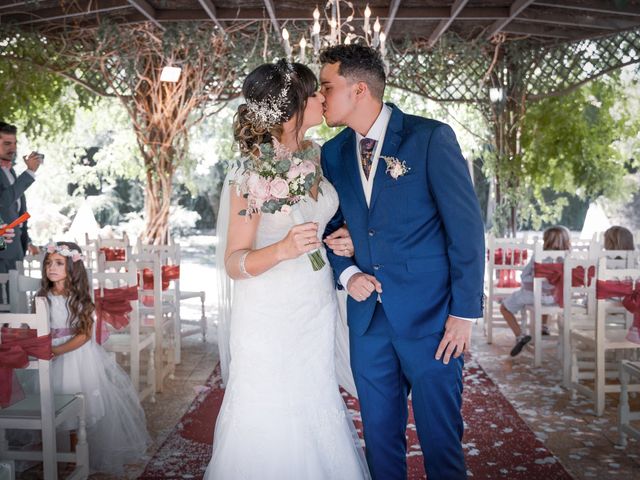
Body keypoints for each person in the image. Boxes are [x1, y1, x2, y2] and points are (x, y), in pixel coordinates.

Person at [319, 45, 485, 480]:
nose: (320, 98)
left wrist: (464, 314)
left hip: (433, 321)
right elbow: (329, 228)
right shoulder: (332, 154)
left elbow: (466, 231)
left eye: (327, 87)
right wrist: (348, 272)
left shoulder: (430, 138)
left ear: (358, 89)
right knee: (380, 443)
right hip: (368, 321)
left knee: (441, 442)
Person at [206, 60, 369, 479]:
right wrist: (280, 249)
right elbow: (234, 262)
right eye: (315, 93)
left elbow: (324, 217)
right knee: (273, 408)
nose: (321, 99)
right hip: (269, 312)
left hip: (314, 303)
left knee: (314, 398)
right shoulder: (249, 171)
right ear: (292, 106)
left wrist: (344, 235)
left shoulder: (315, 156)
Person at [38, 241, 150, 475]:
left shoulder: (80, 299)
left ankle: (79, 454)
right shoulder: (42, 297)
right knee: (55, 401)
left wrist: (58, 351)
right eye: (49, 263)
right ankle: (59, 452)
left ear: (73, 267)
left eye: (58, 263)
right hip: (48, 355)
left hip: (75, 357)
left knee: (77, 401)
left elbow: (85, 335)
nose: (52, 267)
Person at [500, 226, 571, 356]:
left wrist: (532, 282)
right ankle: (543, 327)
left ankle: (520, 336)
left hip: (533, 295)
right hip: (557, 298)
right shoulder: (569, 257)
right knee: (547, 298)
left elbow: (524, 276)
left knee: (504, 307)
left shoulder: (539, 255)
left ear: (546, 240)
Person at [0, 121, 40, 273]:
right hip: (2, 247)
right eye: (7, 144)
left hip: (18, 247)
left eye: (15, 143)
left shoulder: (10, 171)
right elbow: (3, 202)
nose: (13, 149)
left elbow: (15, 211)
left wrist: (27, 241)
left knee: (17, 295)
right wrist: (29, 172)